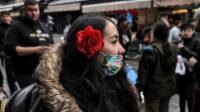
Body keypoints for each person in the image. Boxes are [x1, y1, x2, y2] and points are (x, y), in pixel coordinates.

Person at [5, 15, 139, 112]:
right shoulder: (52, 100)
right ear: (88, 48)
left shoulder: (118, 83)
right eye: (114, 41)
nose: (121, 50)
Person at [136, 21, 197, 112]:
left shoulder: (149, 51)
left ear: (154, 34)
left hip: (153, 92)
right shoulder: (174, 48)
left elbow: (142, 75)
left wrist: (138, 92)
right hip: (167, 90)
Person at [4, 0, 53, 89]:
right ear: (24, 11)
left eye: (36, 10)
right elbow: (9, 48)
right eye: (30, 10)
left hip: (46, 72)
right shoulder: (16, 27)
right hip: (25, 73)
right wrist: (35, 50)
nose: (33, 13)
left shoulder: (44, 26)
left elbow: (52, 44)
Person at [176, 23, 199, 112]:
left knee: (190, 98)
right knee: (181, 98)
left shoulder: (196, 42)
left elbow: (196, 56)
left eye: (189, 30)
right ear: (181, 32)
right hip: (180, 76)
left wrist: (184, 49)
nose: (186, 32)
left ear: (192, 32)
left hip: (192, 76)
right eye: (184, 30)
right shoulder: (179, 43)